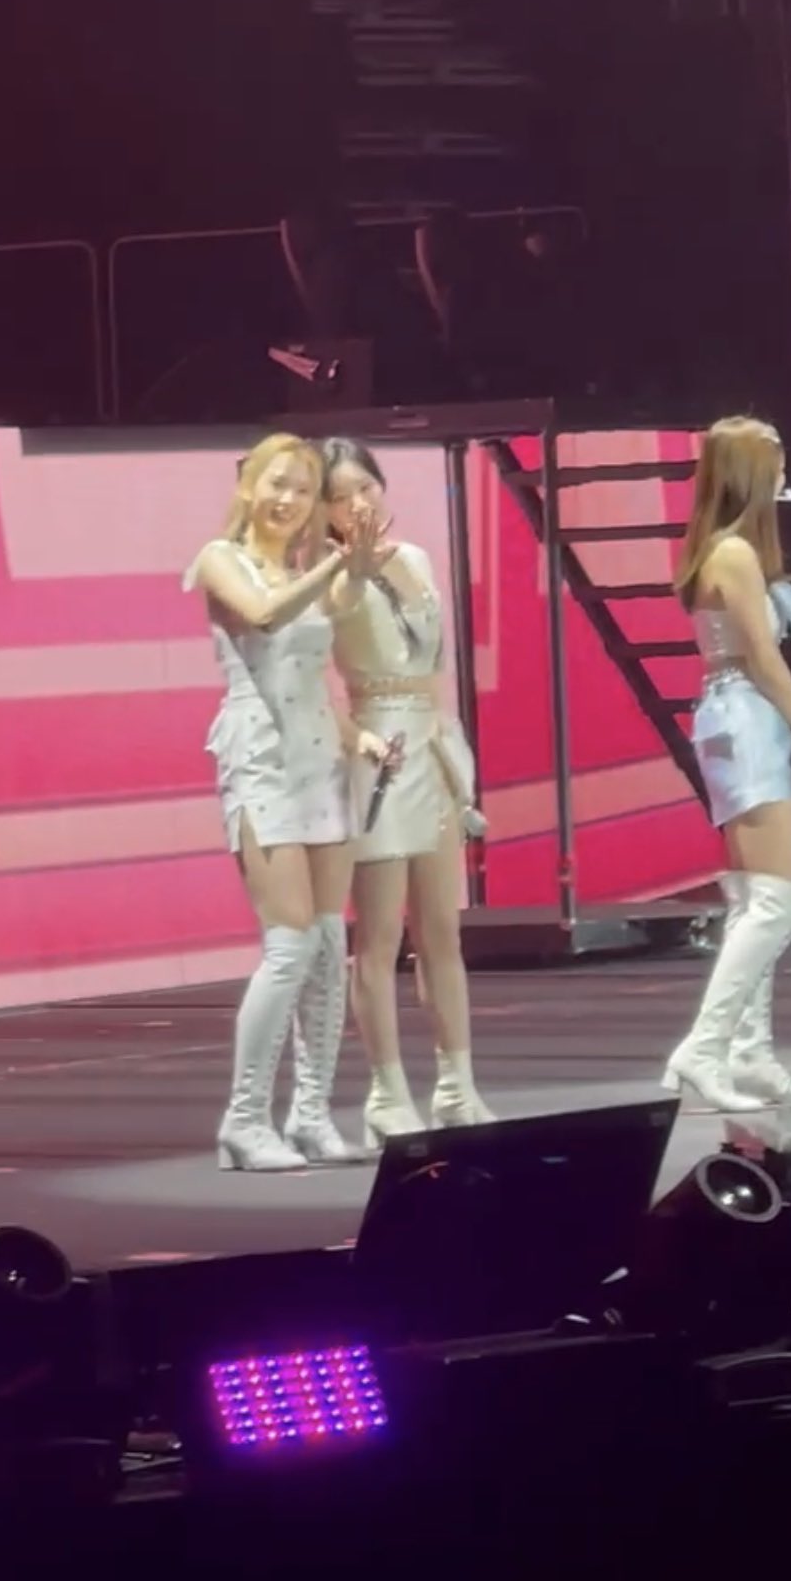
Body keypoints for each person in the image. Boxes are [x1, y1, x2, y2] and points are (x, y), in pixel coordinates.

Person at [184, 432, 399, 1171]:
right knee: (290, 945)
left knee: (330, 944)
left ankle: (310, 1115)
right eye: (278, 484)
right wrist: (342, 564)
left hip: (319, 764)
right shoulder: (221, 560)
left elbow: (312, 682)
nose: (288, 500)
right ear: (249, 485)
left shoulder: (302, 570)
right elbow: (267, 616)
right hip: (261, 761)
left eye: (303, 491)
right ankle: (244, 1120)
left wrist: (360, 738)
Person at [320, 438, 494, 1146]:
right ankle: (386, 1092)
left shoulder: (416, 558)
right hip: (379, 753)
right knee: (380, 936)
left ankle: (458, 1085)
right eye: (340, 497)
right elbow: (315, 672)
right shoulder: (327, 577)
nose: (358, 504)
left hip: (432, 742)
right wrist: (352, 571)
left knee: (442, 931)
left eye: (366, 487)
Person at [663, 416, 791, 1110]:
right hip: (747, 718)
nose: (785, 472)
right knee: (777, 897)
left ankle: (748, 1051)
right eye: (776, 461)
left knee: (756, 897)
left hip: (739, 717)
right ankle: (706, 1047)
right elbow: (761, 656)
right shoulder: (732, 553)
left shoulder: (729, 549)